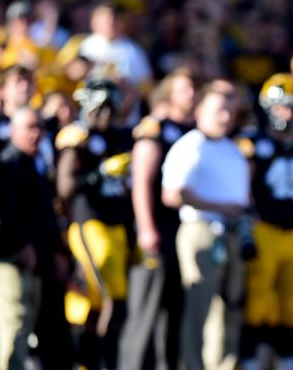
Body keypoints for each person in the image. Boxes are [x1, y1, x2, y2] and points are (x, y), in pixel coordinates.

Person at [238, 74, 293, 370]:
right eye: (279, 107)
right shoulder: (254, 143)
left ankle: (288, 359)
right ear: (267, 108)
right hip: (265, 229)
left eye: (290, 107)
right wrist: (246, 227)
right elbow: (244, 190)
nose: (286, 114)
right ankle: (252, 359)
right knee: (260, 299)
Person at [161, 78, 250, 370]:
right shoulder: (191, 145)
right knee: (200, 308)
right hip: (202, 232)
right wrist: (220, 207)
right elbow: (173, 194)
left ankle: (223, 365)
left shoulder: (231, 148)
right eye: (217, 110)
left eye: (228, 110)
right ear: (199, 112)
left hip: (232, 233)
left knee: (228, 308)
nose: (225, 116)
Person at [118, 69, 198, 370]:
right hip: (158, 228)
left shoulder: (196, 130)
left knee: (174, 310)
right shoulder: (155, 128)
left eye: (193, 89)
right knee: (146, 308)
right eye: (183, 88)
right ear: (168, 94)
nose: (190, 94)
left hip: (185, 229)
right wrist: (146, 227)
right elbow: (141, 181)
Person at [55, 78, 133, 369]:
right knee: (92, 297)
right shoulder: (78, 137)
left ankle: (105, 362)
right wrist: (99, 174)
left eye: (112, 108)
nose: (107, 115)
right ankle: (82, 363)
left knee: (117, 300)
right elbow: (65, 187)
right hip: (89, 223)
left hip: (116, 226)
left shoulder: (119, 136)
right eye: (102, 108)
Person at [0, 107, 70, 370]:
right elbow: (3, 213)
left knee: (41, 333)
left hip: (38, 262)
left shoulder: (36, 164)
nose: (36, 134)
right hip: (13, 261)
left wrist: (58, 251)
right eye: (29, 128)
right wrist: (22, 246)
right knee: (15, 331)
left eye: (39, 128)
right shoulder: (9, 163)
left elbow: (46, 214)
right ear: (13, 131)